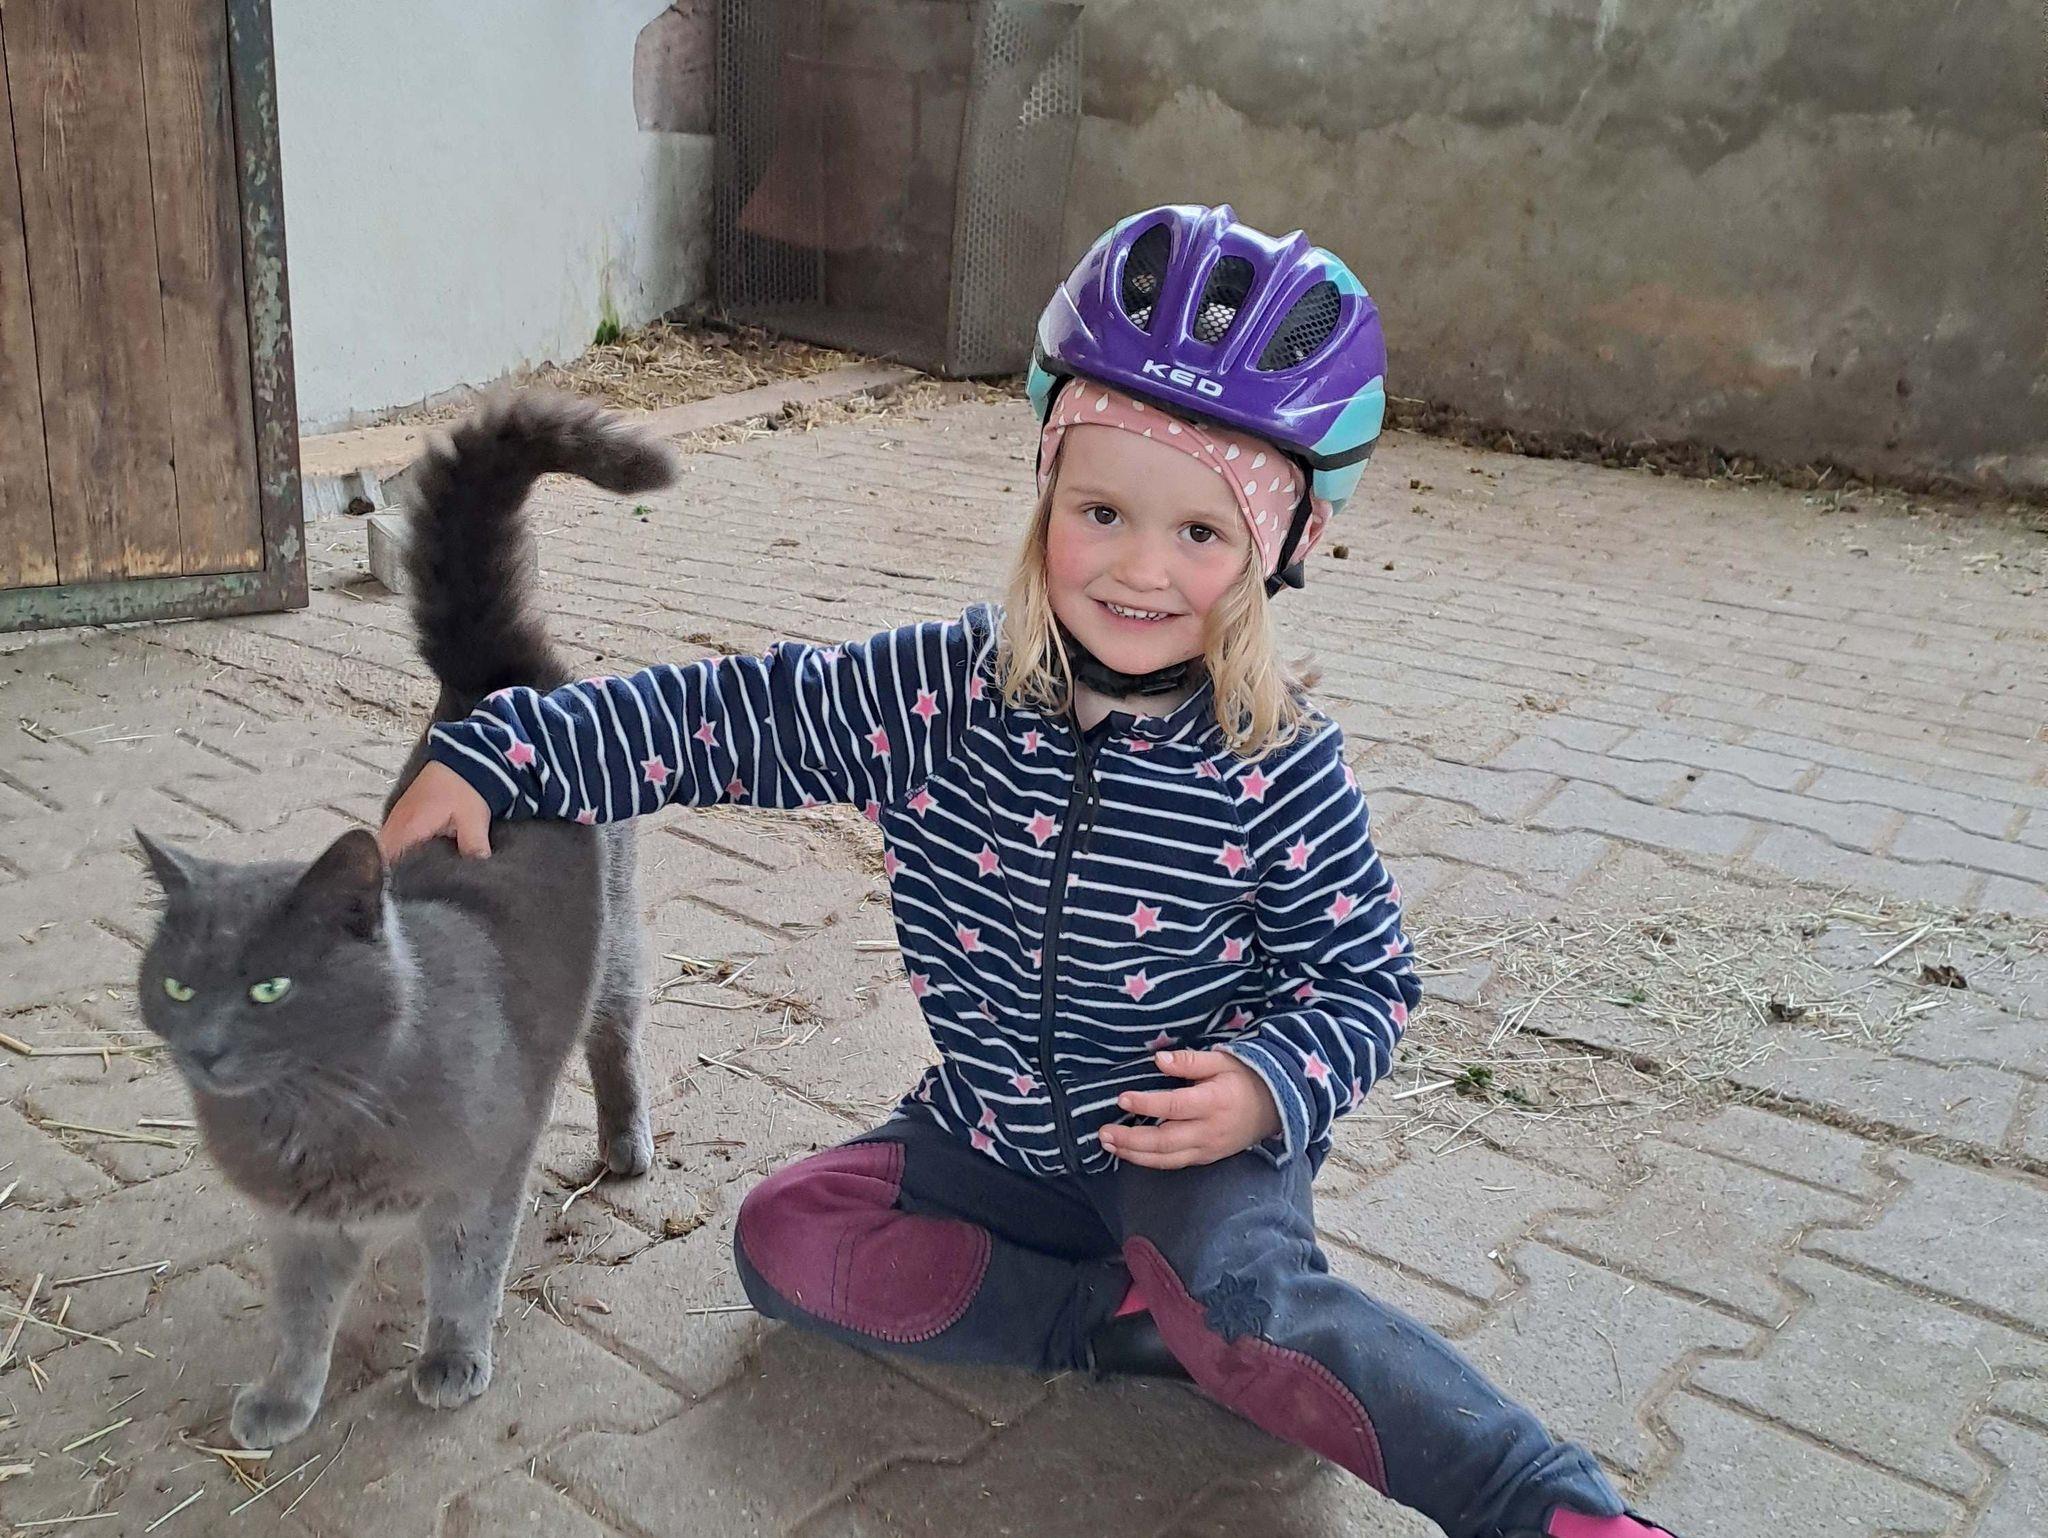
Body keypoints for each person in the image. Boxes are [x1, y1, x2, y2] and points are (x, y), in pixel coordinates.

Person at [381, 204, 1682, 1538]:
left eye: (1202, 533)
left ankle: (1541, 1501)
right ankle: (1124, 1323)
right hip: (990, 1134)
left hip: (1186, 1151)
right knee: (783, 1238)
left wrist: (1267, 1086)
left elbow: (1365, 981)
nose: (1139, 566)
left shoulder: (1276, 761)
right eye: (1102, 510)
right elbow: (734, 715)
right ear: (1046, 491)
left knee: (1251, 1303)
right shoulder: (944, 691)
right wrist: (503, 751)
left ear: (1283, 547)